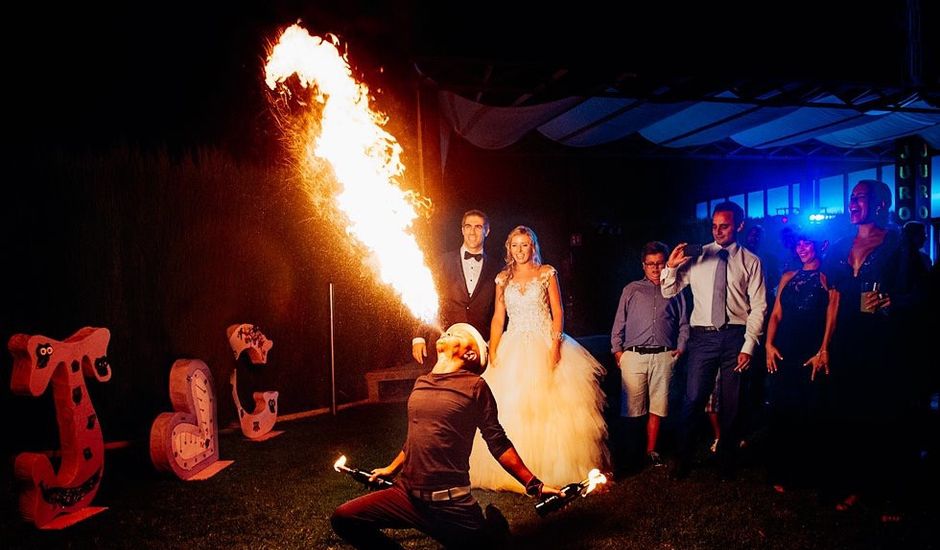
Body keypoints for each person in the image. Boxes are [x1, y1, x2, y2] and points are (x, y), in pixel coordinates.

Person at [332, 323, 560, 549]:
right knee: (344, 518)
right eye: (450, 330)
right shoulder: (422, 382)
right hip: (408, 496)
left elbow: (498, 442)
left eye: (459, 334)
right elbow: (416, 434)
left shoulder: (475, 387)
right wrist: (391, 468)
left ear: (470, 353)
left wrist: (535, 485)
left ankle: (493, 530)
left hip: (450, 505)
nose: (449, 331)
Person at [813, 179, 926, 520]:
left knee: (884, 418)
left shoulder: (898, 243)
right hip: (847, 341)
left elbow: (921, 293)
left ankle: (889, 493)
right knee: (848, 416)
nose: (852, 204)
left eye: (859, 198)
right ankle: (854, 485)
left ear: (880, 203)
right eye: (851, 198)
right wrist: (825, 347)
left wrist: (895, 301)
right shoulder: (839, 246)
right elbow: (834, 297)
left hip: (883, 343)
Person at [468, 226, 608, 492]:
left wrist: (555, 346)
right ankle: (514, 471)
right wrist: (494, 348)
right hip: (514, 343)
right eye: (515, 245)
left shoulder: (546, 273)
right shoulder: (502, 278)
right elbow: (499, 317)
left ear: (533, 247)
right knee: (511, 406)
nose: (520, 250)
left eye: (525, 245)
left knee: (552, 409)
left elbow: (557, 311)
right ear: (509, 248)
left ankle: (554, 468)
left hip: (544, 340)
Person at [661, 201, 768, 480]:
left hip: (735, 336)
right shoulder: (698, 256)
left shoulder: (751, 261)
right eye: (714, 226)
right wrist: (670, 267)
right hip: (703, 337)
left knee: (732, 403)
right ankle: (682, 458)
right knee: (694, 397)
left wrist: (748, 345)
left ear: (739, 226)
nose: (718, 231)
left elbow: (758, 306)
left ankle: (726, 460)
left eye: (725, 226)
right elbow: (669, 291)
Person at [610, 241, 689, 470]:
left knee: (658, 406)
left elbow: (684, 322)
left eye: (660, 263)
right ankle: (631, 451)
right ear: (643, 265)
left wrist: (681, 346)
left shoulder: (676, 289)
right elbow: (619, 322)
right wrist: (618, 351)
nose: (655, 268)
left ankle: (651, 451)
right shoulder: (632, 289)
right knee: (632, 408)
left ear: (666, 264)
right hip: (634, 355)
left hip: (664, 355)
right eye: (650, 264)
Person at [763, 227, 830, 493]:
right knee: (782, 410)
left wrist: (823, 349)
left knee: (808, 411)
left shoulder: (827, 278)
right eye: (798, 244)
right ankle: (781, 471)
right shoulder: (788, 276)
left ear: (819, 245)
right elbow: (776, 314)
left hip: (810, 351)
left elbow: (831, 318)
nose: (802, 248)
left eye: (807, 243)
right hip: (784, 350)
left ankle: (807, 473)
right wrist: (768, 344)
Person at [413, 210, 501, 366]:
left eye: (478, 227)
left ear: (487, 231)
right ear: (462, 230)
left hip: (479, 346)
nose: (472, 232)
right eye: (468, 226)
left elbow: (500, 311)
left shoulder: (498, 268)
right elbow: (425, 297)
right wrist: (419, 336)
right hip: (444, 342)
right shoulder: (442, 262)